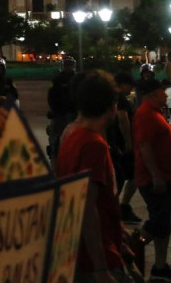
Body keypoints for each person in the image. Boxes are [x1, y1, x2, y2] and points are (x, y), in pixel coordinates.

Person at [55, 70, 130, 282]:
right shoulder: (93, 145)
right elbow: (88, 207)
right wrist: (100, 268)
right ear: (111, 105)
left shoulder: (70, 133)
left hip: (76, 250)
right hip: (96, 257)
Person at [133, 78, 171, 282]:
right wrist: (157, 176)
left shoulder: (155, 113)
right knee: (159, 221)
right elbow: (145, 147)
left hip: (166, 178)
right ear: (152, 94)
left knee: (165, 223)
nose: (166, 95)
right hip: (154, 180)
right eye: (162, 92)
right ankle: (133, 247)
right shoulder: (146, 114)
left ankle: (160, 266)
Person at [107, 72, 142, 223]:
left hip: (118, 144)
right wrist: (128, 141)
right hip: (121, 145)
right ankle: (118, 208)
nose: (132, 89)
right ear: (123, 84)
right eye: (130, 86)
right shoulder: (119, 99)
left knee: (127, 176)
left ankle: (120, 207)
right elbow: (123, 120)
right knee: (128, 176)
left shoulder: (115, 98)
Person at [47, 56, 77, 160]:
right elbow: (52, 96)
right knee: (55, 134)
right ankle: (55, 152)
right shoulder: (58, 79)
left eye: (70, 65)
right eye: (66, 65)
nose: (68, 67)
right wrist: (54, 109)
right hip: (60, 112)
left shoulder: (76, 79)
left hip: (73, 112)